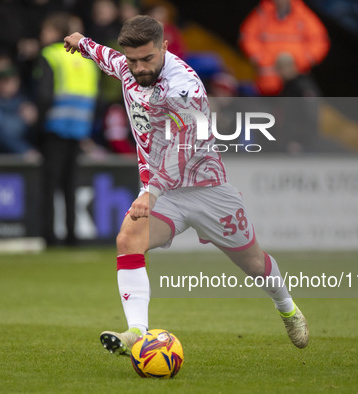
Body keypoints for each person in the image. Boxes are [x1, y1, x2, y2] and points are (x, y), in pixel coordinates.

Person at [63, 15, 309, 355]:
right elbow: (109, 58)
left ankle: (287, 308)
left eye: (147, 59)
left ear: (164, 47)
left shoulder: (184, 86)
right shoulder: (128, 66)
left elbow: (184, 146)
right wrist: (82, 43)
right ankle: (137, 331)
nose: (139, 67)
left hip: (207, 189)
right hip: (166, 195)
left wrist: (151, 191)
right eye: (133, 60)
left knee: (253, 263)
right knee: (128, 240)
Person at [35, 13, 100, 246]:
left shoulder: (51, 55)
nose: (42, 35)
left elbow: (44, 95)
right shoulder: (87, 61)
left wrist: (36, 126)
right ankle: (72, 236)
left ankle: (49, 237)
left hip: (55, 127)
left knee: (50, 185)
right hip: (80, 128)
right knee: (70, 185)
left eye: (45, 30)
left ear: (55, 32)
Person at [239, 0, 330, 96]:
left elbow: (320, 40)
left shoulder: (301, 14)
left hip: (294, 83)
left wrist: (299, 61)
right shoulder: (263, 13)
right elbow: (247, 37)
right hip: (267, 84)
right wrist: (261, 58)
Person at [0, 54, 39, 159]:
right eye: (5, 81)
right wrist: (24, 150)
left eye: (13, 79)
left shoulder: (23, 101)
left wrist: (34, 122)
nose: (11, 84)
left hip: (23, 160)